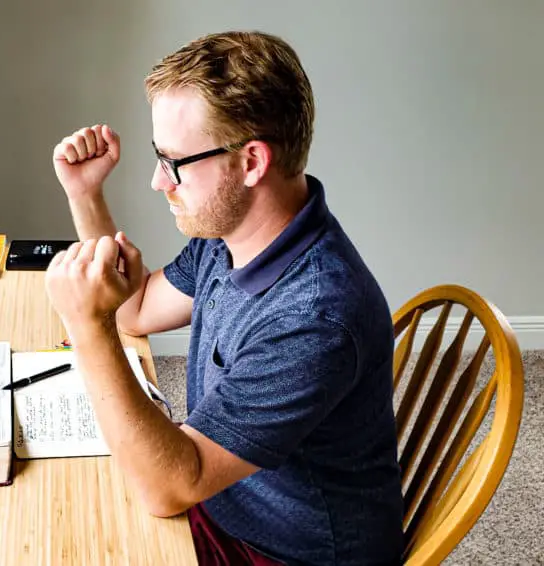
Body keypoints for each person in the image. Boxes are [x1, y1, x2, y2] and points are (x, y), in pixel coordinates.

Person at [44, 31, 404, 565]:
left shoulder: (314, 316)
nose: (156, 181)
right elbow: (136, 308)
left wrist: (86, 327)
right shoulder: (229, 238)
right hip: (216, 499)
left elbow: (167, 487)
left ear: (252, 162)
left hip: (279, 552)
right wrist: (85, 194)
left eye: (173, 162)